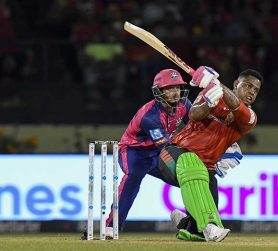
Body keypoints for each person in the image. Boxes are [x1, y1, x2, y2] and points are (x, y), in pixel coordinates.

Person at [159, 66, 263, 242]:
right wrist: (209, 102)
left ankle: (186, 223)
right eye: (248, 86)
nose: (251, 92)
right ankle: (207, 225)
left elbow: (235, 105)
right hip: (172, 155)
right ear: (236, 84)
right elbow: (194, 114)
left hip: (204, 169)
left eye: (256, 90)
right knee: (191, 161)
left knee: (200, 231)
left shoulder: (250, 117)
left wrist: (218, 84)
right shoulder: (212, 92)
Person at [99, 69, 192, 237]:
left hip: (158, 152)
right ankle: (110, 226)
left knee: (188, 178)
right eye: (169, 88)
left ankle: (192, 222)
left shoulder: (184, 106)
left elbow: (195, 129)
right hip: (134, 150)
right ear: (159, 92)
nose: (175, 93)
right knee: (133, 177)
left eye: (177, 87)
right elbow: (166, 147)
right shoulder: (150, 116)